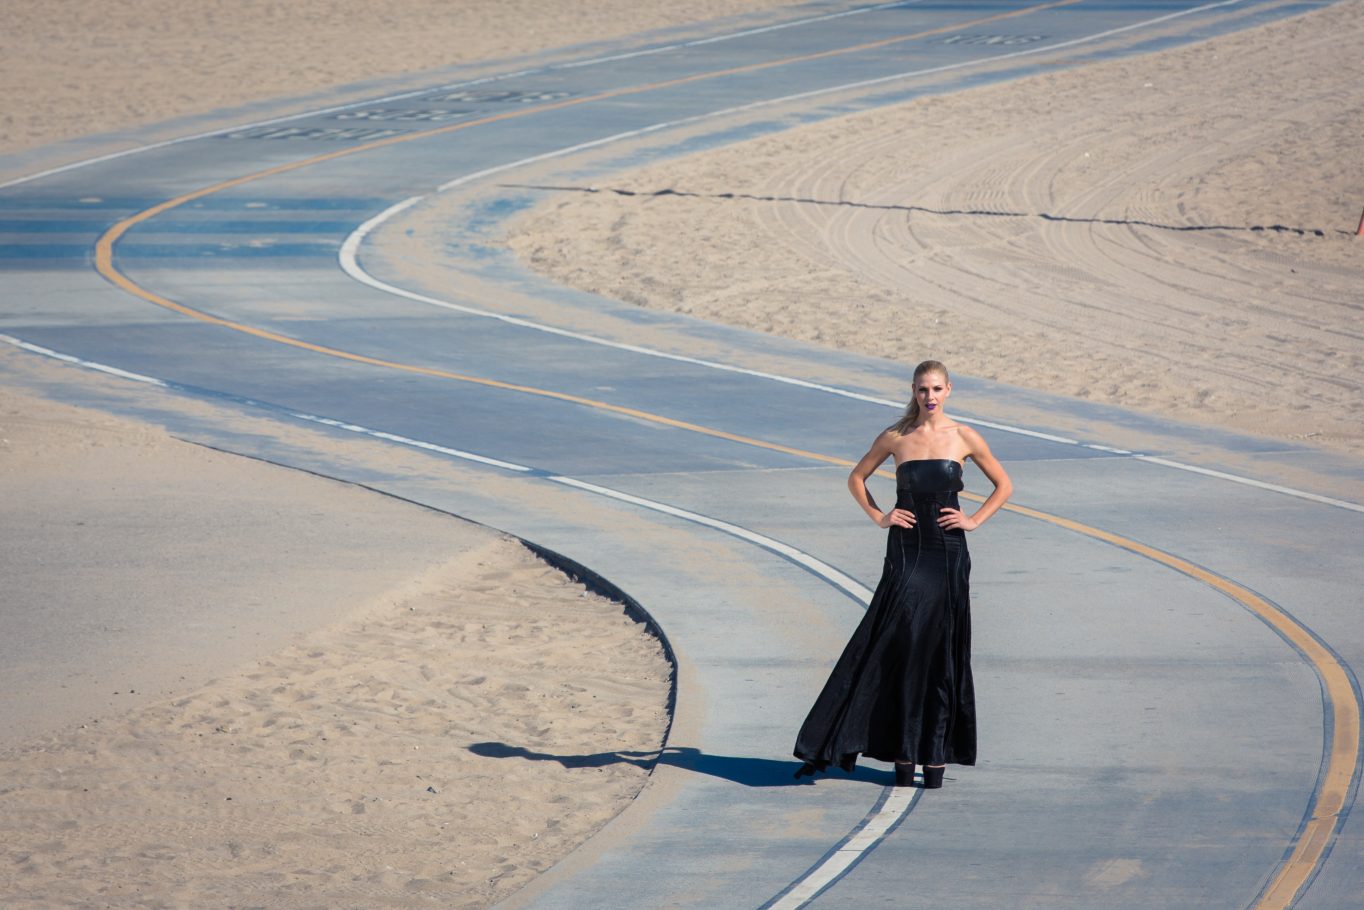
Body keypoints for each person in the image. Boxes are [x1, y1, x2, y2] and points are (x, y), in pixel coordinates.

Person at [793, 360, 1012, 788]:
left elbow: (1004, 485)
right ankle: (902, 750)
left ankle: (933, 753)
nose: (928, 397)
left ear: (948, 390)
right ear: (912, 391)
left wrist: (974, 520)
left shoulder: (965, 436)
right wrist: (879, 516)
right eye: (921, 389)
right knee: (902, 643)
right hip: (907, 553)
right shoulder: (896, 437)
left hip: (948, 553)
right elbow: (857, 478)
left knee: (941, 650)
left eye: (935, 389)